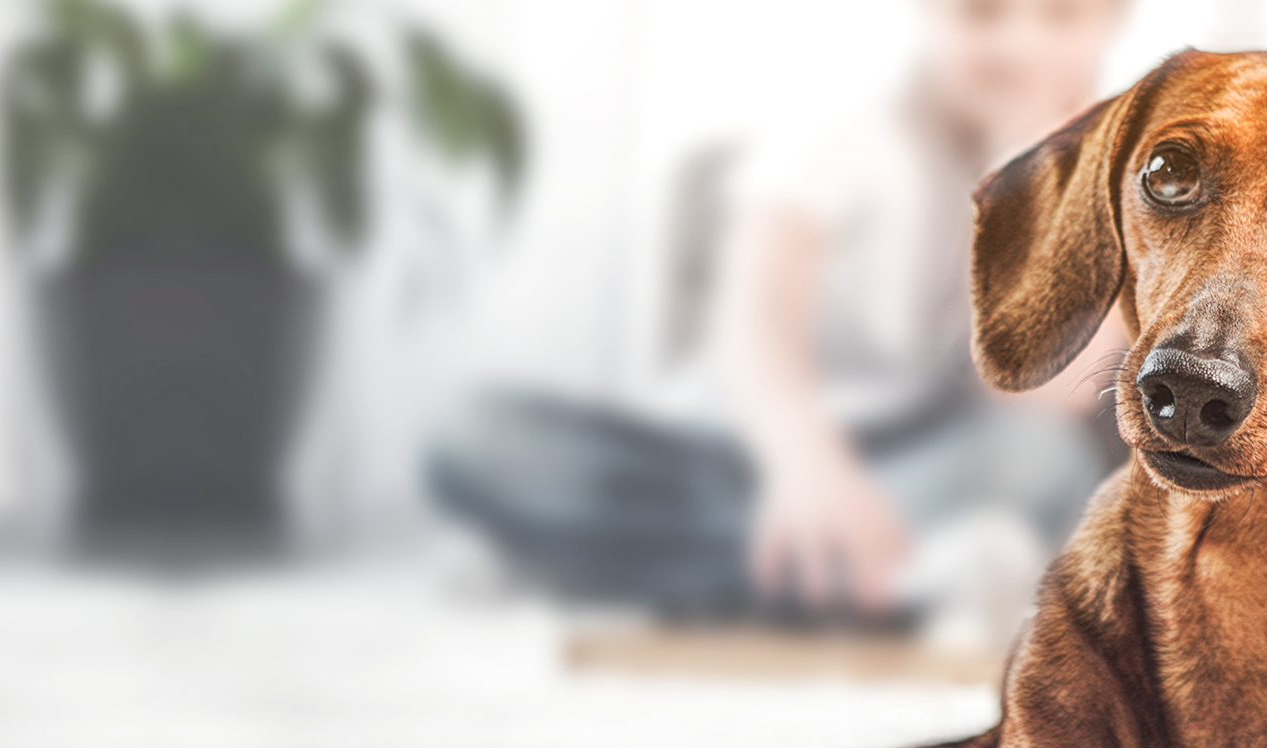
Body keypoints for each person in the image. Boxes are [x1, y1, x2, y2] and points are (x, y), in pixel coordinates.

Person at [429, 0, 1131, 642]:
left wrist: (1038, 196)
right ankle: (877, 581)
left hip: (912, 470)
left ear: (1110, 25)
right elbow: (755, 322)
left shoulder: (1115, 181)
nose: (1019, 44)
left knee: (1045, 459)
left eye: (1061, 16)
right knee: (474, 432)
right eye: (983, 15)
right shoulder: (848, 130)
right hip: (735, 451)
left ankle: (606, 565)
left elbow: (1036, 397)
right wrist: (805, 469)